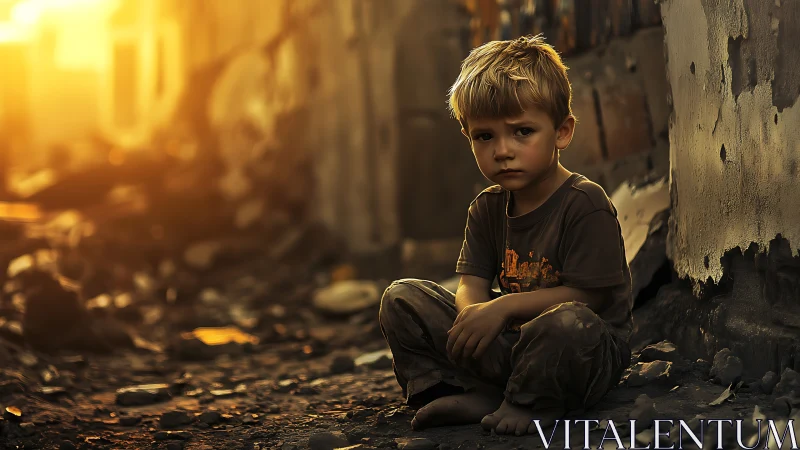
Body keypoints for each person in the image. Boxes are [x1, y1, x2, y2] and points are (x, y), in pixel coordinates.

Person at [378, 34, 633, 436]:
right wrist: (472, 316)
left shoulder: (585, 203)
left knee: (568, 324)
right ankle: (460, 390)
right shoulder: (487, 208)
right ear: (468, 137)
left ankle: (529, 401)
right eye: (485, 136)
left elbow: (591, 297)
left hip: (578, 353)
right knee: (402, 298)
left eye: (522, 132)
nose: (503, 150)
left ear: (562, 132)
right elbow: (470, 285)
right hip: (511, 341)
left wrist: (503, 308)